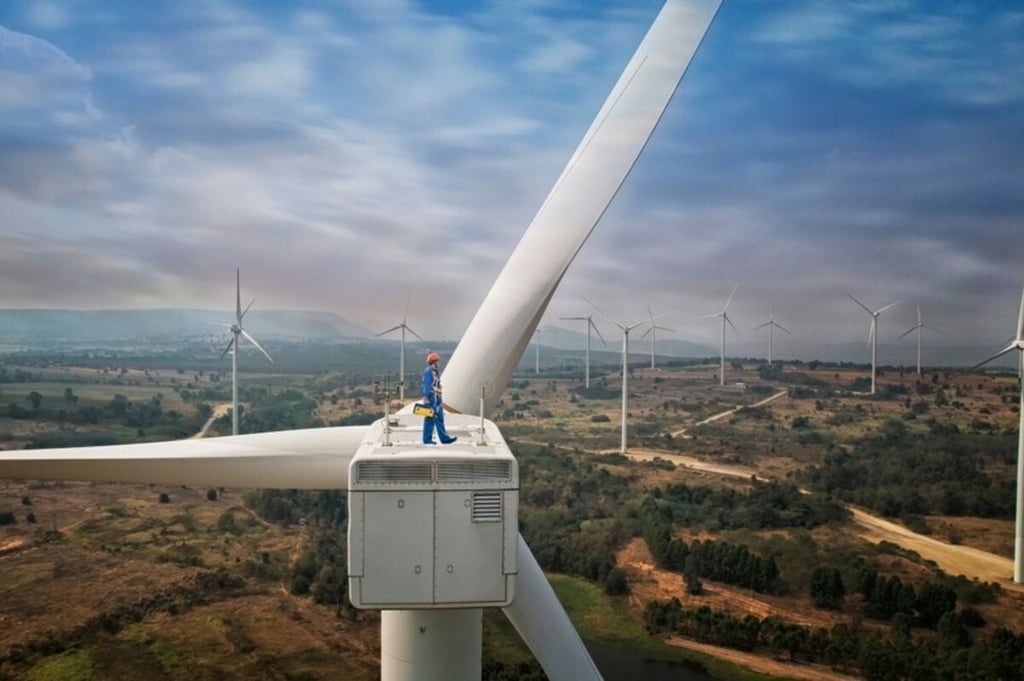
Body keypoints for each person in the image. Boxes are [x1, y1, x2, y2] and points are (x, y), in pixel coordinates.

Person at [422, 352, 457, 445]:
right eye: (438, 361)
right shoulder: (429, 372)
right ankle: (427, 439)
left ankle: (444, 438)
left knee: (439, 418)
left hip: (437, 399)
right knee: (430, 418)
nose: (439, 363)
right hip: (431, 399)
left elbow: (436, 385)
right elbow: (426, 386)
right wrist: (426, 398)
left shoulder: (435, 372)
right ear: (434, 362)